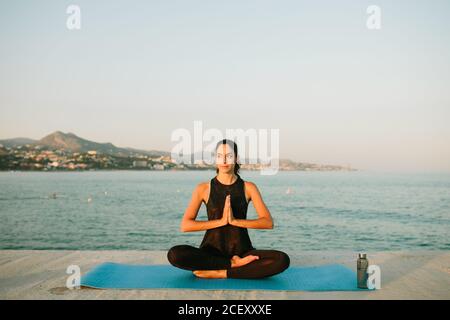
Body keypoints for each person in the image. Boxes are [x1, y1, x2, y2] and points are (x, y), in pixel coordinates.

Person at [167, 139, 290, 279]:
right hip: (210, 252)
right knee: (175, 254)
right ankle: (232, 264)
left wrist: (234, 221)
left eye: (229, 156)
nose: (224, 160)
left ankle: (221, 272)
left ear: (236, 158)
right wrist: (221, 221)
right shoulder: (203, 188)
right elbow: (185, 225)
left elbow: (268, 222)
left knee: (282, 259)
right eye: (219, 156)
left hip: (242, 252)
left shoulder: (248, 187)